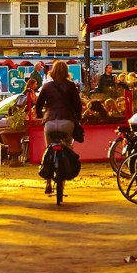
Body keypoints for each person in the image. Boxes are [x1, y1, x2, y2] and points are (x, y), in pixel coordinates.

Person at [34, 60, 83, 195]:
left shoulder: (47, 87)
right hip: (67, 122)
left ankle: (48, 182)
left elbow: (38, 105)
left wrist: (41, 116)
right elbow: (78, 106)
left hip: (50, 122)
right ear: (67, 72)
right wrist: (77, 118)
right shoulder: (71, 86)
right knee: (67, 146)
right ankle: (65, 175)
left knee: (49, 149)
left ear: (53, 71)